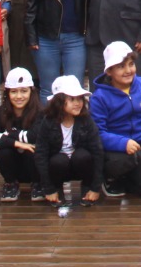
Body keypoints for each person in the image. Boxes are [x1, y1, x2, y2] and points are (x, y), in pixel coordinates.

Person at [90, 42, 141, 199]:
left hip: (140, 148)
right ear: (109, 71)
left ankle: (127, 179)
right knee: (123, 161)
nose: (128, 71)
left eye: (131, 64)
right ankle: (110, 177)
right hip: (113, 151)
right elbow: (97, 133)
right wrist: (122, 143)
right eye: (121, 66)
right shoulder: (99, 97)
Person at [31, 75, 104, 206]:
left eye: (79, 99)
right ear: (59, 102)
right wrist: (49, 188)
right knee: (59, 160)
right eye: (71, 99)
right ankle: (58, 189)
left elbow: (98, 152)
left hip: (80, 165)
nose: (77, 103)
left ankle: (86, 187)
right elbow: (40, 154)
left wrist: (95, 187)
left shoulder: (86, 120)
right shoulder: (47, 122)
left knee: (83, 156)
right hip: (58, 167)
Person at [0, 67, 41, 201]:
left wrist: (6, 135)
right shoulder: (1, 112)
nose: (19, 96)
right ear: (7, 93)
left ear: (31, 92)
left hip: (35, 166)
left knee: (32, 148)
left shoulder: (40, 112)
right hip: (11, 166)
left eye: (24, 91)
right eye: (14, 92)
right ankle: (10, 184)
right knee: (4, 151)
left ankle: (38, 184)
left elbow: (34, 136)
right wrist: (16, 143)